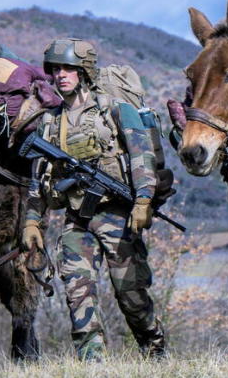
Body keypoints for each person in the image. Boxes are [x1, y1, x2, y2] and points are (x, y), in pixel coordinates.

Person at [21, 38, 166, 361]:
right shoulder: (50, 121)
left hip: (118, 216)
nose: (61, 75)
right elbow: (39, 176)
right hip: (77, 220)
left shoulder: (114, 109)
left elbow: (141, 155)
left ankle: (155, 349)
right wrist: (32, 219)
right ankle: (93, 362)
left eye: (68, 69)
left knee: (131, 295)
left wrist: (143, 199)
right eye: (56, 70)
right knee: (77, 292)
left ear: (83, 71)